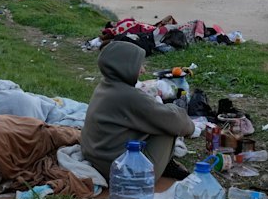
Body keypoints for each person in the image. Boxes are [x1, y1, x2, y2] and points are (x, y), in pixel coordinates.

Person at [81, 41, 194, 180]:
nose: (143, 70)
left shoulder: (104, 87)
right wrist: (185, 119)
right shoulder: (127, 96)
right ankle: (165, 165)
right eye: (139, 65)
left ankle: (165, 162)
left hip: (101, 161)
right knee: (169, 125)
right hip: (125, 173)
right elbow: (177, 122)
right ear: (124, 66)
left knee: (156, 119)